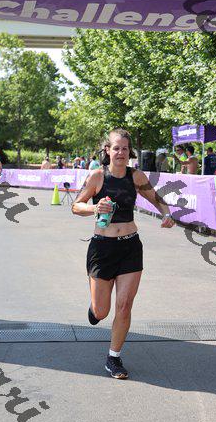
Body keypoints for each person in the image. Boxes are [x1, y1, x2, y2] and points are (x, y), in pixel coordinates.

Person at [72, 128, 176, 380]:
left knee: (125, 305)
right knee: (101, 311)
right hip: (102, 248)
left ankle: (114, 357)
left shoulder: (136, 176)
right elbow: (76, 205)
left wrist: (166, 214)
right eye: (116, 148)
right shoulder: (97, 176)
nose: (120, 152)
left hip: (130, 246)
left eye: (125, 149)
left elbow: (156, 198)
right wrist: (95, 208)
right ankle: (95, 310)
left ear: (130, 152)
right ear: (108, 150)